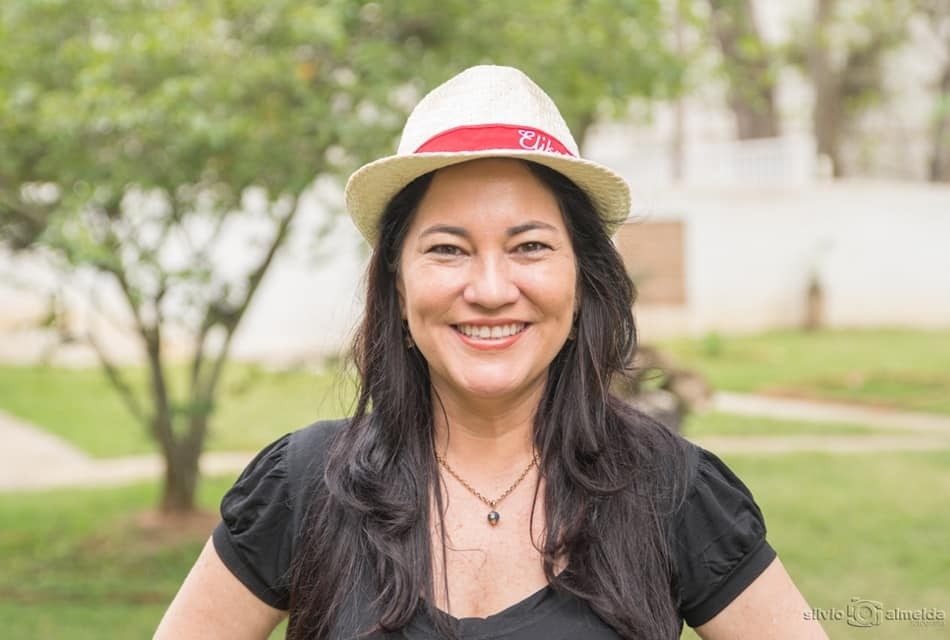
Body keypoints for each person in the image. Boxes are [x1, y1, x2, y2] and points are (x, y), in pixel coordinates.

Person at [156, 65, 827, 640]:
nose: (489, 289)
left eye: (529, 246)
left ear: (580, 280)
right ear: (398, 282)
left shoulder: (670, 490)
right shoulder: (305, 486)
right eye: (447, 248)